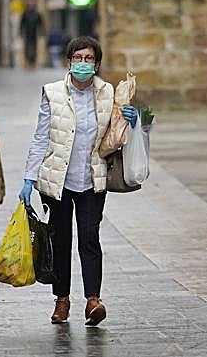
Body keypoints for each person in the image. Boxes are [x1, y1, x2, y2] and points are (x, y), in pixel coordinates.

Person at [18, 36, 137, 326]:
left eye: (89, 59)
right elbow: (41, 136)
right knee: (60, 241)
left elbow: (122, 130)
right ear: (69, 61)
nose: (83, 64)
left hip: (91, 180)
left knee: (89, 238)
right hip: (57, 181)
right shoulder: (52, 92)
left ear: (97, 64)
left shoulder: (108, 93)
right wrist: (29, 178)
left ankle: (93, 300)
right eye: (77, 58)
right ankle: (62, 300)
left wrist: (134, 121)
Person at [19, 0, 43, 69]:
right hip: (27, 33)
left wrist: (41, 33)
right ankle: (27, 61)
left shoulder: (37, 13)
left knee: (34, 48)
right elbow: (21, 23)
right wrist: (21, 33)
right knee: (27, 47)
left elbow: (40, 23)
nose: (31, 5)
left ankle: (33, 62)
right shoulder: (25, 13)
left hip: (34, 33)